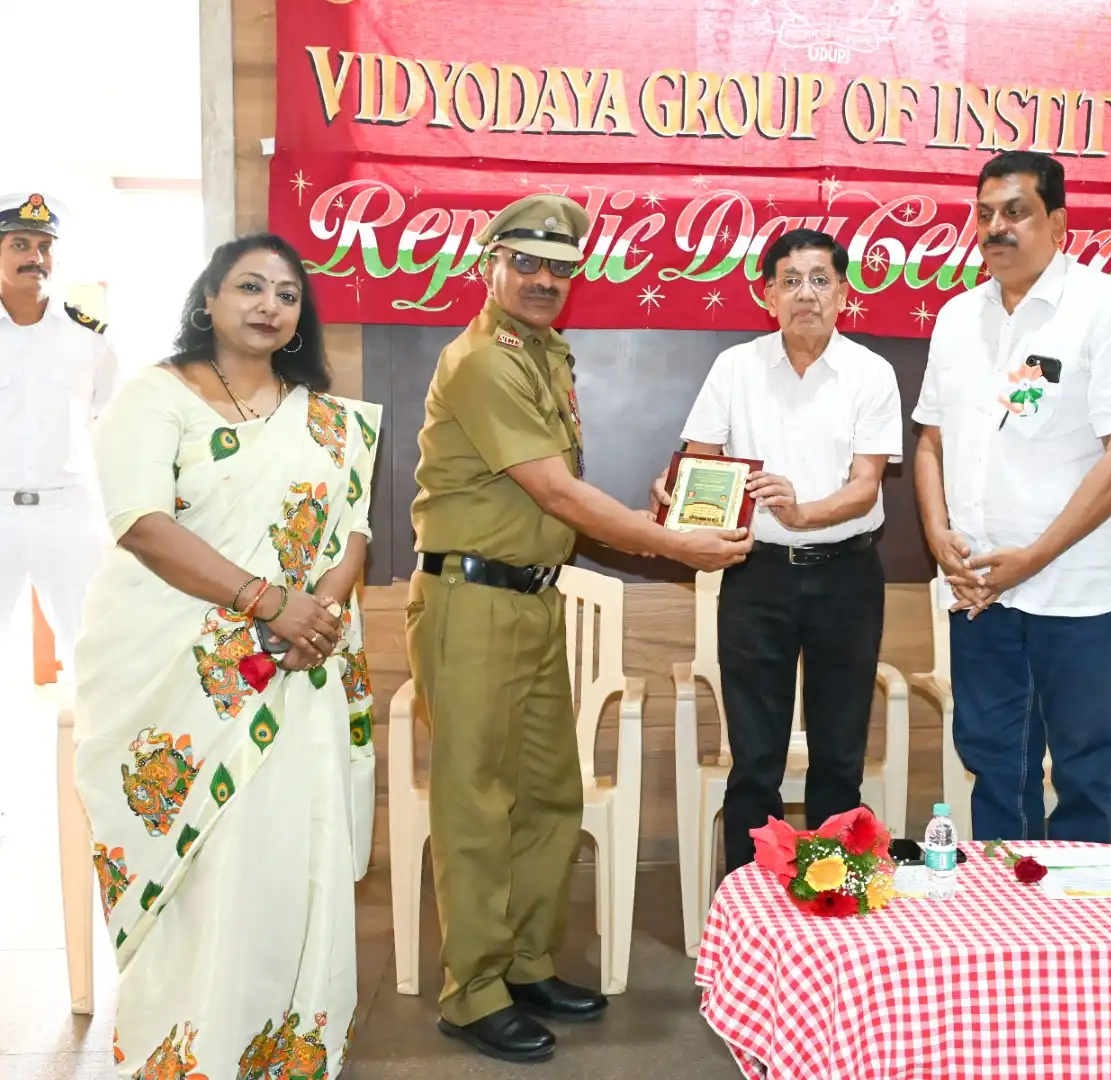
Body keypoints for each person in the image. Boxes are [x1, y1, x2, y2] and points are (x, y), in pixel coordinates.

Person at [409, 193, 753, 1063]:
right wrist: (674, 544)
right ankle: (473, 989)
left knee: (549, 794)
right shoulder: (484, 361)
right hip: (472, 604)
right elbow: (559, 495)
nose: (544, 280)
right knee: (477, 803)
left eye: (560, 267)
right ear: (489, 263)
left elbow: (563, 493)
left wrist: (664, 517)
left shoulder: (543, 357)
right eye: (526, 262)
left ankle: (525, 964)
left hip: (530, 599)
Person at [73, 234, 382, 1079]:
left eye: (286, 295)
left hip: (296, 667)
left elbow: (354, 533)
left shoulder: (327, 418)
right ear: (208, 299)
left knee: (288, 858)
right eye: (249, 286)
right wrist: (266, 601)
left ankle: (283, 1047)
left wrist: (313, 611)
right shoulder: (154, 396)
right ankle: (194, 1048)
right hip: (177, 672)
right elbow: (141, 522)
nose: (268, 305)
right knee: (212, 867)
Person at [911, 150, 1111, 843]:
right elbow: (929, 441)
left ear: (1058, 223)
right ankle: (1004, 924)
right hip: (980, 588)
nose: (997, 228)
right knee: (995, 761)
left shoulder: (1106, 309)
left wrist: (1037, 555)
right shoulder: (958, 318)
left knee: (1082, 767)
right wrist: (938, 535)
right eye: (985, 214)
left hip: (1078, 588)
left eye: (1015, 212)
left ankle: (1074, 936)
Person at [649, 228, 902, 874]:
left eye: (820, 280)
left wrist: (802, 512)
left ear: (844, 294)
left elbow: (866, 486)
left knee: (839, 756)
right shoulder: (735, 367)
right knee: (755, 759)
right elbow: (697, 463)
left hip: (846, 578)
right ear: (767, 296)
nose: (806, 294)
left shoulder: (871, 374)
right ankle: (749, 915)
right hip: (756, 579)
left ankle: (833, 905)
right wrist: (672, 489)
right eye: (790, 281)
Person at [0, 192, 120, 685]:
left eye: (44, 246)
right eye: (21, 244)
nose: (35, 257)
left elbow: (106, 419)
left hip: (69, 512)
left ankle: (99, 759)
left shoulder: (88, 338)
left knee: (93, 654)